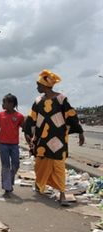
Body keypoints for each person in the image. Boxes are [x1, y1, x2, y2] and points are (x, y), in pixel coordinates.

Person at [24, 70, 85, 206]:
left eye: (38, 85)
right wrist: (27, 133)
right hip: (41, 140)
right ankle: (39, 186)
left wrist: (80, 132)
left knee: (58, 166)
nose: (37, 88)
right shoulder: (38, 101)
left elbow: (71, 114)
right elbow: (31, 118)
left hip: (58, 139)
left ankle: (62, 194)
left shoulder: (61, 99)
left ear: (45, 85)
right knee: (40, 164)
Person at [0, 93, 24, 198]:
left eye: (4, 102)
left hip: (14, 145)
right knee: (6, 166)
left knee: (16, 164)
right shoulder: (0, 115)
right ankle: (7, 188)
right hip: (2, 144)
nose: (2, 104)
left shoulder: (19, 116)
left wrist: (31, 140)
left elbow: (25, 128)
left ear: (11, 103)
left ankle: (9, 180)